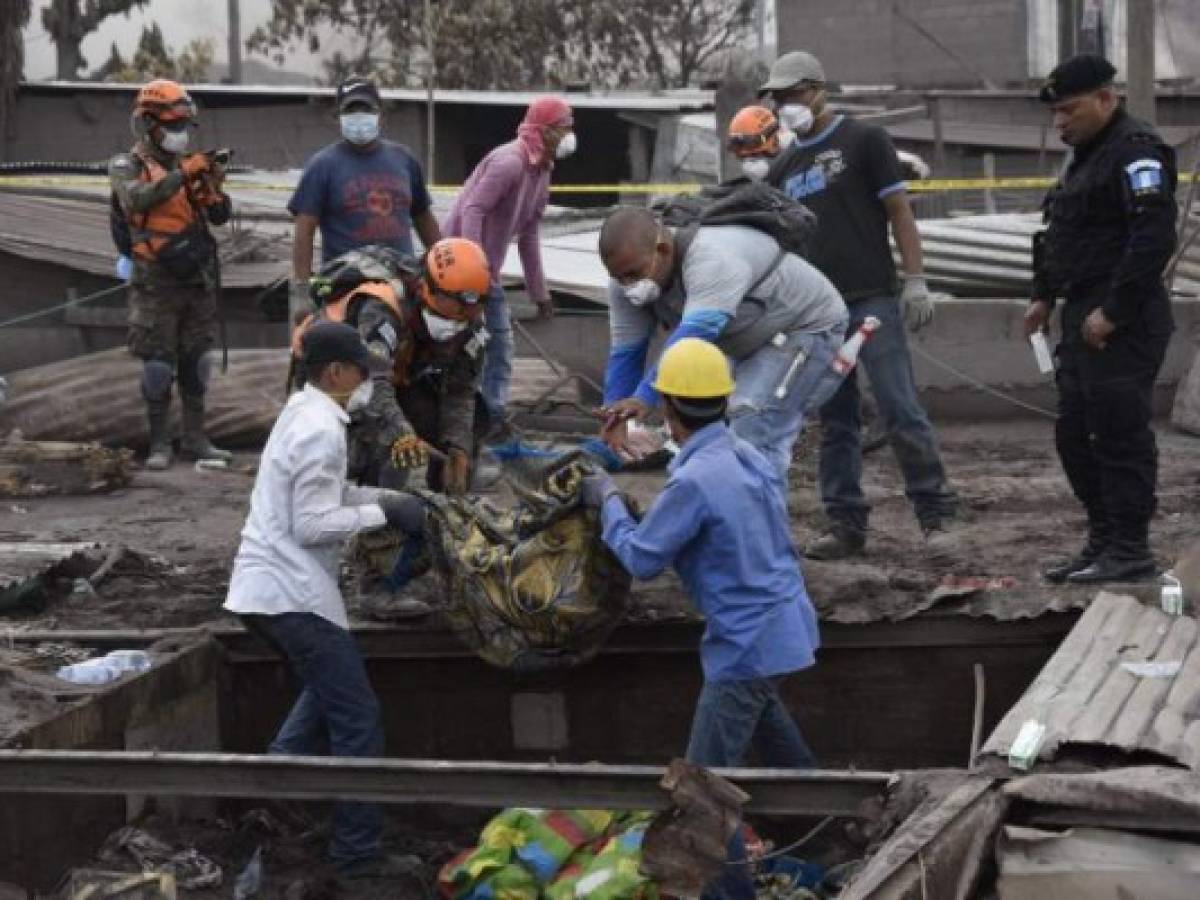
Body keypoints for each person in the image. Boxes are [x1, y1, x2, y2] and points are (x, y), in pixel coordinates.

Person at [582, 339, 819, 898]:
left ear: (668, 406)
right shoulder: (746, 455)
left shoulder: (693, 482)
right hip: (787, 628)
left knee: (702, 797)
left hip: (746, 646)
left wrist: (606, 499)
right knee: (787, 761)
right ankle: (834, 835)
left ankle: (729, 893)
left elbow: (641, 557)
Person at [225, 322, 428, 881]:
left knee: (327, 687)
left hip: (269, 590)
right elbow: (312, 522)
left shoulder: (303, 412)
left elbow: (325, 496)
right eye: (363, 371)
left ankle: (273, 789)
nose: (368, 382)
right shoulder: (321, 429)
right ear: (336, 372)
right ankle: (356, 855)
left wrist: (388, 496)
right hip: (290, 592)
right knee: (357, 717)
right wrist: (385, 514)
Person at [760, 50, 959, 560]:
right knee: (837, 421)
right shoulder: (783, 166)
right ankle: (845, 524)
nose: (785, 106)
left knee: (899, 408)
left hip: (872, 299)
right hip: (818, 314)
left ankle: (936, 516)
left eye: (792, 95)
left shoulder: (865, 141)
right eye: (777, 99)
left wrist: (915, 279)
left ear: (818, 89)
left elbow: (899, 212)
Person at [1026, 54, 1177, 584]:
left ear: (1106, 100)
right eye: (1056, 115)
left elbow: (1153, 238)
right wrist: (1042, 294)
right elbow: (1058, 231)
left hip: (1122, 320)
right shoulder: (1082, 158)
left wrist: (1113, 312)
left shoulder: (1136, 152)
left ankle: (1130, 549)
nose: (1060, 123)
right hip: (1079, 314)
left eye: (1069, 110)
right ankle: (1102, 539)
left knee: (1119, 435)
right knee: (1074, 434)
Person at [597, 206, 848, 485]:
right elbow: (625, 353)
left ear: (664, 249)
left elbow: (693, 337)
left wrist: (644, 398)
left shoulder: (711, 257)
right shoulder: (624, 283)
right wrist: (614, 417)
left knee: (751, 431)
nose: (628, 285)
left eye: (633, 274)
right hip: (740, 338)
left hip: (802, 326)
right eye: (619, 278)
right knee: (702, 434)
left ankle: (756, 523)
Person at [290, 238, 492, 497]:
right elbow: (371, 385)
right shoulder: (383, 304)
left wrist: (458, 448)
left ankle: (445, 504)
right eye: (451, 307)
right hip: (333, 379)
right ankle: (373, 508)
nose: (457, 318)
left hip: (397, 375)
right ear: (425, 288)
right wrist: (401, 432)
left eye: (470, 308)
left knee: (472, 421)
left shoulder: (471, 320)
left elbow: (460, 391)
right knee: (384, 437)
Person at [109, 79, 234, 471]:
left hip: (195, 278)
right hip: (154, 280)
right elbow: (136, 200)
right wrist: (182, 176)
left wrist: (212, 188)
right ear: (148, 124)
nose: (179, 135)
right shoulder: (126, 165)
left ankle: (196, 438)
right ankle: (160, 442)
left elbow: (219, 217)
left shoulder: (189, 165)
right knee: (158, 364)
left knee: (197, 359)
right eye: (172, 125)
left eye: (184, 126)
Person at [443, 97, 575, 433]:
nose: (569, 134)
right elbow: (473, 210)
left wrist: (538, 291)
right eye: (563, 127)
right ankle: (463, 419)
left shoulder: (541, 171)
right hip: (459, 271)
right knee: (470, 347)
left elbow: (529, 233)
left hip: (487, 274)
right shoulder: (510, 162)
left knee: (498, 348)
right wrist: (471, 269)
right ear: (544, 131)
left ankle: (491, 419)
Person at [288, 76, 442, 324]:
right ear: (338, 117)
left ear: (381, 115)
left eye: (366, 109)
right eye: (351, 110)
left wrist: (442, 265)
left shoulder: (404, 160)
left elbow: (424, 218)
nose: (359, 116)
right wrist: (302, 292)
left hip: (400, 280)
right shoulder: (322, 166)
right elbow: (304, 231)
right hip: (345, 285)